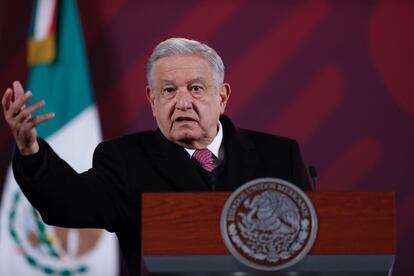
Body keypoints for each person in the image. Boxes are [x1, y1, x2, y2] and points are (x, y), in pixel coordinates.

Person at [2, 38, 311, 275]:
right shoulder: (124, 159)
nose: (182, 102)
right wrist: (30, 150)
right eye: (168, 91)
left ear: (222, 96)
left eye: (196, 88)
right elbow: (68, 203)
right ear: (152, 100)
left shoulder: (279, 156)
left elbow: (313, 245)